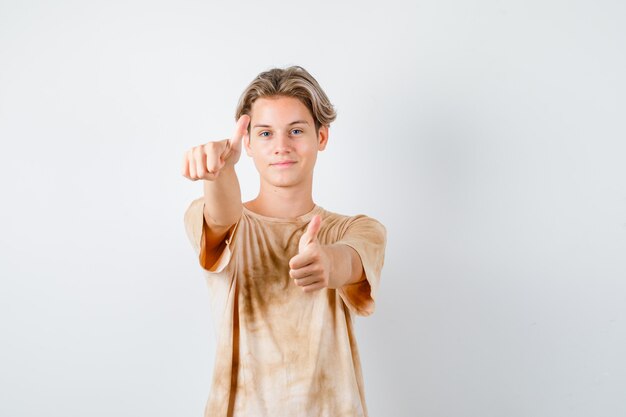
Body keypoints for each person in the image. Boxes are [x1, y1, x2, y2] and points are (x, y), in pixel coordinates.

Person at [181, 65, 387, 417]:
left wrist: (327, 262)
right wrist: (220, 172)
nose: (281, 146)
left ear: (321, 137)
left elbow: (349, 261)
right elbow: (222, 218)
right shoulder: (206, 214)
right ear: (246, 143)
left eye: (296, 130)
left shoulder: (359, 229)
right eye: (264, 133)